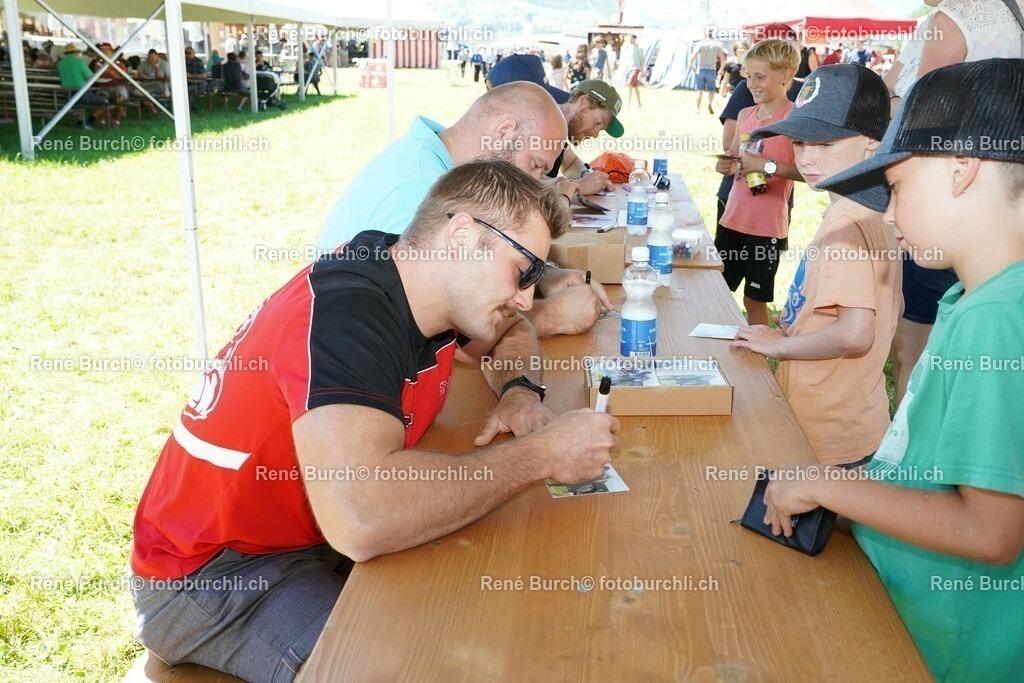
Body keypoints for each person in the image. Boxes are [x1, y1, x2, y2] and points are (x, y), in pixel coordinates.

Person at [130, 159, 620, 682]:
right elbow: (363, 515)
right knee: (413, 665)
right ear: (461, 235)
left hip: (309, 538)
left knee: (498, 614)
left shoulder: (417, 276)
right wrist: (540, 456)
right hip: (212, 571)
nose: (525, 295)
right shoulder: (349, 313)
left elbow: (513, 330)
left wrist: (520, 391)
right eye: (523, 270)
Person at [768, 58, 1024, 683]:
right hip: (914, 609)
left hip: (947, 649)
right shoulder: (973, 299)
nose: (887, 215)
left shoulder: (998, 316)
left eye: (899, 188)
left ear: (963, 169)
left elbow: (992, 531)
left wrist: (827, 488)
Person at [319, 81, 613, 338]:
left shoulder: (440, 159)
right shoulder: (417, 193)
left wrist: (537, 276)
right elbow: (445, 326)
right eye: (535, 165)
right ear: (503, 132)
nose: (534, 182)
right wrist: (550, 315)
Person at [730, 65, 900, 466]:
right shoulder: (879, 209)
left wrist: (784, 345)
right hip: (858, 421)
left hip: (825, 432)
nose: (807, 157)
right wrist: (801, 326)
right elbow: (894, 308)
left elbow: (857, 333)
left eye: (825, 144)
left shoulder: (846, 220)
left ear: (873, 145)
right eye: (801, 142)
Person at [883, 0, 1024, 404]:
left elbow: (922, 117)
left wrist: (893, 106)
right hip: (1001, 204)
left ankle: (910, 430)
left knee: (915, 339)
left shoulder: (955, 16)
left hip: (945, 197)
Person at [714, 38, 801, 326]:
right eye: (748, 77)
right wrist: (727, 164)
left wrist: (767, 166)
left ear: (785, 75)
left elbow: (805, 171)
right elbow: (738, 160)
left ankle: (758, 357)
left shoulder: (795, 119)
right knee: (717, 292)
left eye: (759, 77)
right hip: (732, 220)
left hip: (766, 230)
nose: (751, 84)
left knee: (754, 299)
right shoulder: (745, 115)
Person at [485, 56, 621, 195]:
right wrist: (576, 187)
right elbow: (517, 188)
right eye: (598, 123)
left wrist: (587, 175)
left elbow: (570, 163)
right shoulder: (505, 133)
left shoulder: (550, 123)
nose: (596, 134)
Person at [56, 43, 109, 129]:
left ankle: (79, 122)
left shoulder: (60, 64)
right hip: (81, 94)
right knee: (105, 102)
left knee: (79, 103)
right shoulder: (79, 62)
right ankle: (89, 122)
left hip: (66, 94)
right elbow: (90, 77)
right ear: (75, 53)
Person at [689, 37, 726, 114]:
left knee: (699, 91)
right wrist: (721, 69)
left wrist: (692, 65)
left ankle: (697, 109)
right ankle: (709, 103)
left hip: (701, 69)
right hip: (711, 70)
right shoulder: (717, 45)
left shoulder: (701, 44)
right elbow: (723, 58)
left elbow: (692, 56)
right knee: (711, 90)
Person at [623, 34, 644, 107]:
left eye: (631, 38)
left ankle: (628, 102)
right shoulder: (630, 48)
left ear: (634, 39)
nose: (629, 40)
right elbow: (630, 60)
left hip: (636, 69)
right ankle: (639, 103)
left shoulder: (639, 48)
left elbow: (642, 59)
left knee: (629, 84)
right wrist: (626, 68)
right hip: (630, 69)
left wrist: (642, 70)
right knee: (635, 86)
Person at [184, 46, 206, 110]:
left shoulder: (198, 62)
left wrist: (191, 76)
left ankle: (191, 109)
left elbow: (204, 75)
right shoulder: (183, 61)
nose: (187, 54)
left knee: (186, 91)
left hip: (199, 84)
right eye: (186, 53)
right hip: (187, 84)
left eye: (189, 53)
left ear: (194, 53)